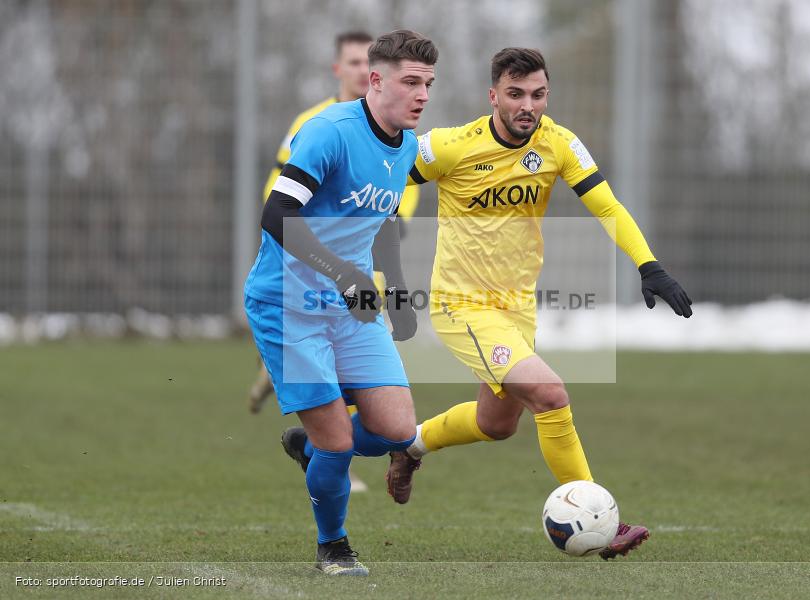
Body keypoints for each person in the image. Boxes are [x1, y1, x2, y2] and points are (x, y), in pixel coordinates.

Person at [386, 48, 692, 560]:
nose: (528, 105)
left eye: (538, 94)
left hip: (517, 309)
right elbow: (382, 183)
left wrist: (649, 265)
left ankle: (409, 446)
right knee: (550, 393)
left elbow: (607, 205)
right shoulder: (449, 147)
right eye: (516, 94)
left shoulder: (559, 144)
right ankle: (602, 519)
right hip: (462, 305)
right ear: (493, 97)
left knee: (496, 424)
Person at [243, 30, 437, 576]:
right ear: (375, 80)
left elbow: (381, 230)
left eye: (428, 84)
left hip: (351, 307)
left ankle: (314, 448)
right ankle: (334, 545)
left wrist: (396, 292)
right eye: (410, 82)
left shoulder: (404, 149)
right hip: (287, 304)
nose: (422, 95)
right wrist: (342, 274)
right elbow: (277, 214)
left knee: (399, 433)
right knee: (338, 442)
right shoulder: (327, 132)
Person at [249, 31, 422, 428]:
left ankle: (337, 435)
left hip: (360, 271)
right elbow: (279, 202)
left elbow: (389, 211)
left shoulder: (403, 139)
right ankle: (327, 444)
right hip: (305, 275)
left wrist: (396, 288)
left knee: (391, 422)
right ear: (339, 69)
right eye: (356, 63)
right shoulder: (315, 125)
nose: (363, 70)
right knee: (336, 426)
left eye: (426, 83)